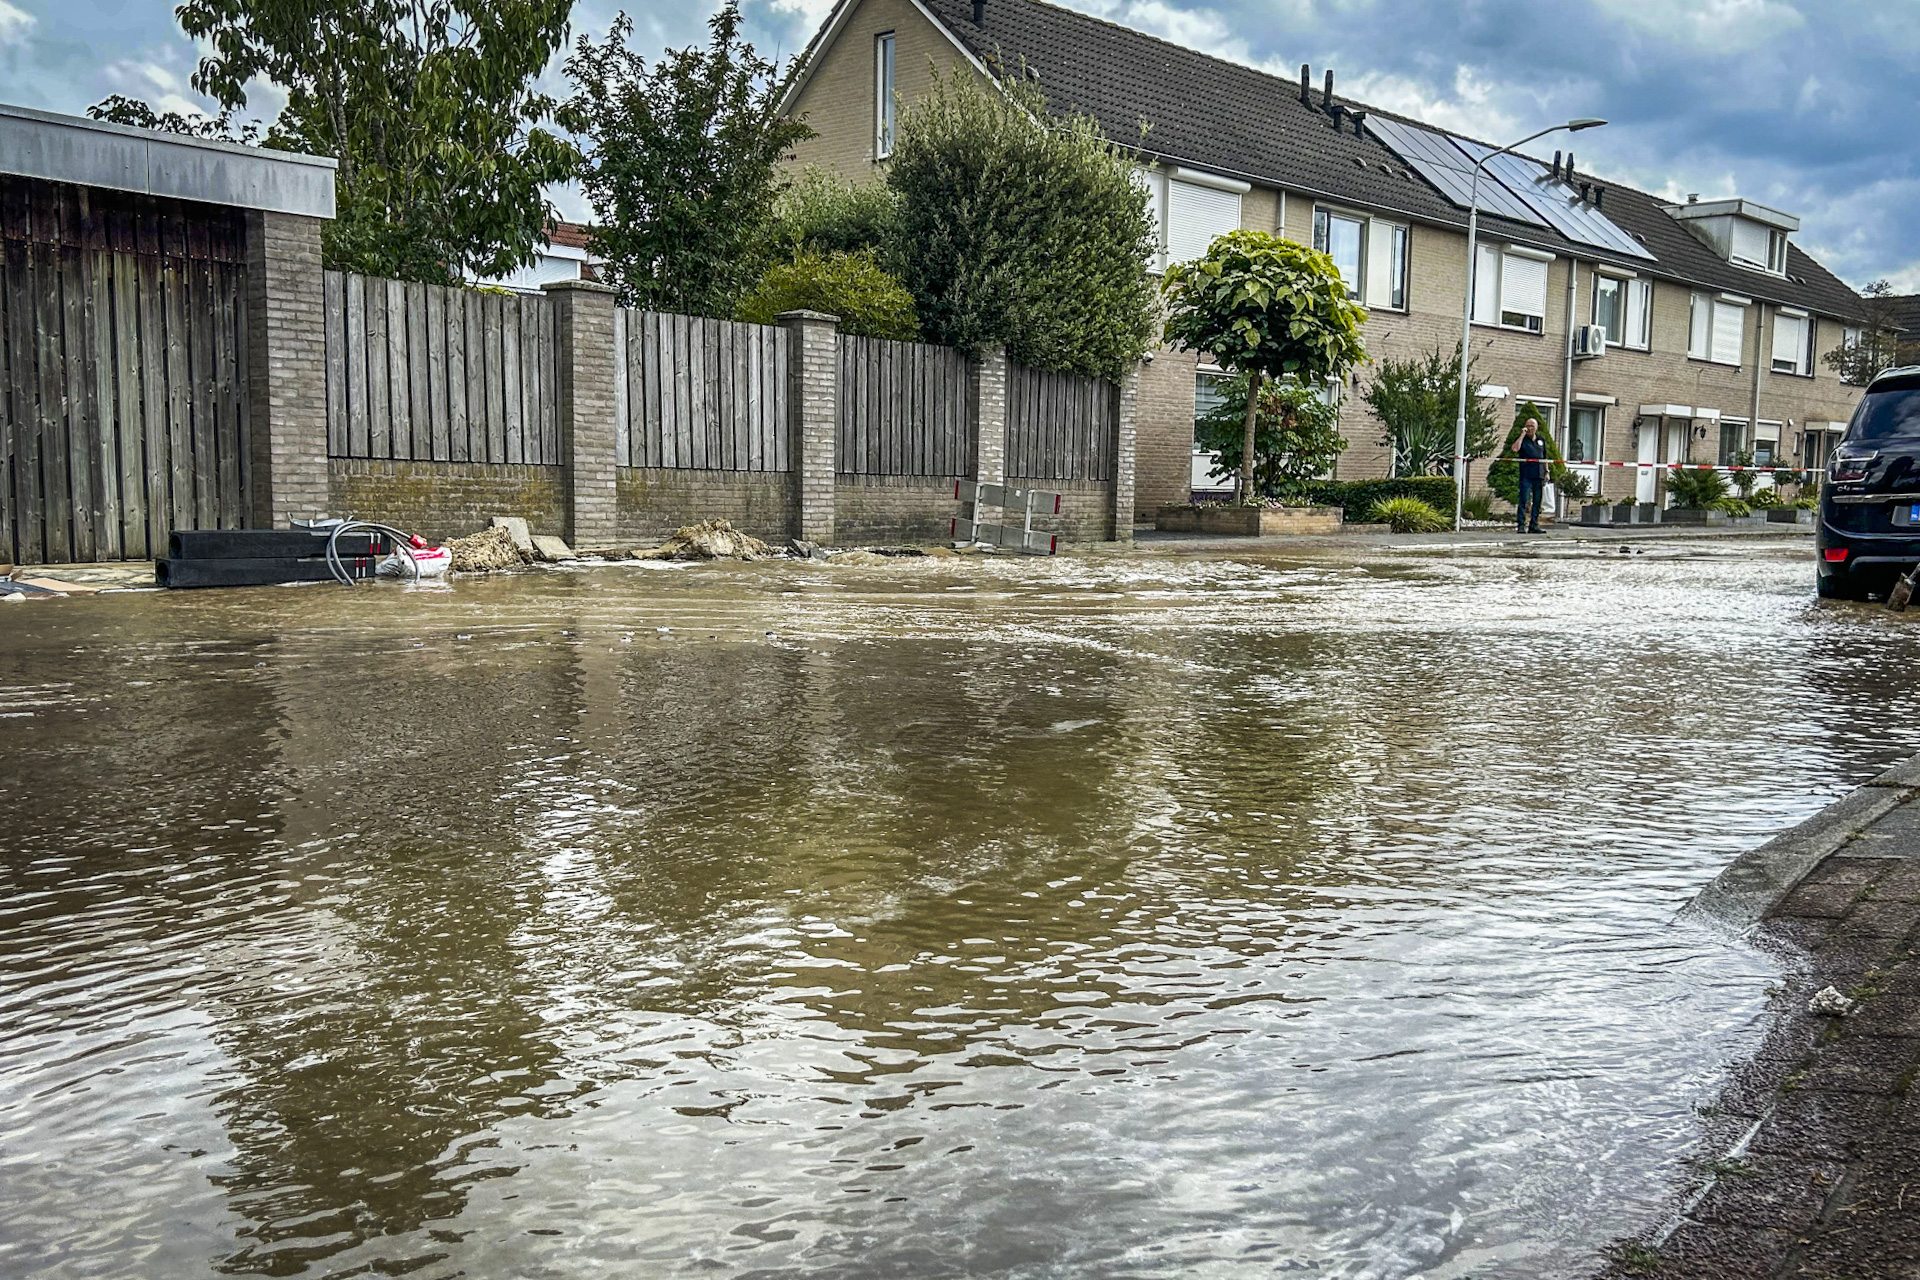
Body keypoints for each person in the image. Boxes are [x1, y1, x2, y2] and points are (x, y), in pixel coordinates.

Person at [1512, 419, 1548, 534]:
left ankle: (1534, 525)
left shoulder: (1541, 440)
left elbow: (1545, 457)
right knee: (1524, 500)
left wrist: (1547, 471)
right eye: (1527, 426)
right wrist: (1522, 435)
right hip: (1526, 475)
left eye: (1532, 426)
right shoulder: (1523, 440)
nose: (1530, 428)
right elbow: (1515, 449)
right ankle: (1521, 525)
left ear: (1536, 427)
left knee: (1537, 501)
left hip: (1539, 474)